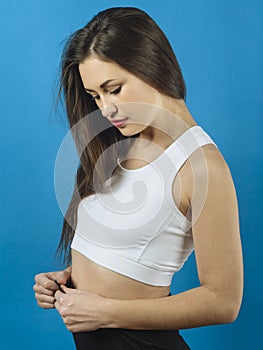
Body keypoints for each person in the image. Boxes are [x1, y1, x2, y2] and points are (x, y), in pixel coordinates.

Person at [33, 6, 243, 350]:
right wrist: (67, 281)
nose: (105, 109)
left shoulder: (201, 165)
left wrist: (106, 312)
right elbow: (120, 251)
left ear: (152, 65)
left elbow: (223, 301)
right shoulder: (119, 143)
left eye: (114, 89)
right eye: (95, 96)